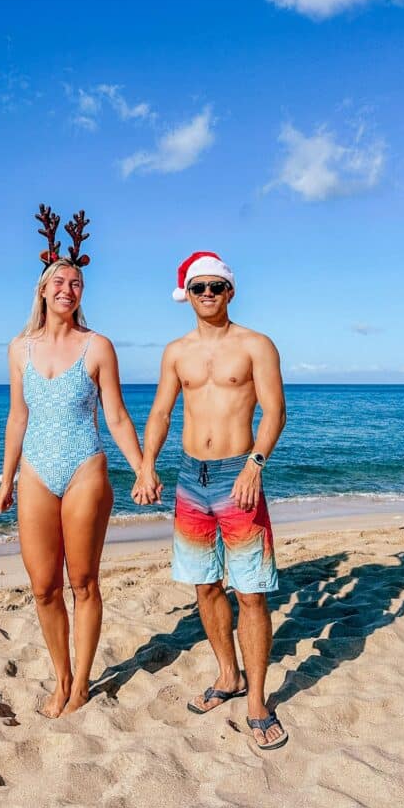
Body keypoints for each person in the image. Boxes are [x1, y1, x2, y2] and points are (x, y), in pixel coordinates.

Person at [132, 251, 288, 750]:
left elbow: (274, 412)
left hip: (239, 476)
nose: (207, 295)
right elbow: (160, 412)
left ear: (230, 291)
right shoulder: (176, 352)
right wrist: (145, 464)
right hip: (189, 480)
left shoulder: (255, 345)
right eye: (198, 288)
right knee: (204, 586)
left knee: (252, 593)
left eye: (215, 287)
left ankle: (258, 701)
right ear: (188, 295)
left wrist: (254, 465)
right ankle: (228, 676)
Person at [0, 205, 145, 718]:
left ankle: (81, 682)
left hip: (85, 467)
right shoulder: (19, 349)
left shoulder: (98, 346)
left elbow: (118, 417)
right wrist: (6, 478)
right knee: (42, 587)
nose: (68, 289)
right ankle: (59, 677)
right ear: (42, 289)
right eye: (59, 281)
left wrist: (143, 466)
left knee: (83, 581)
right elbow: (18, 417)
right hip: (36, 469)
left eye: (76, 283)